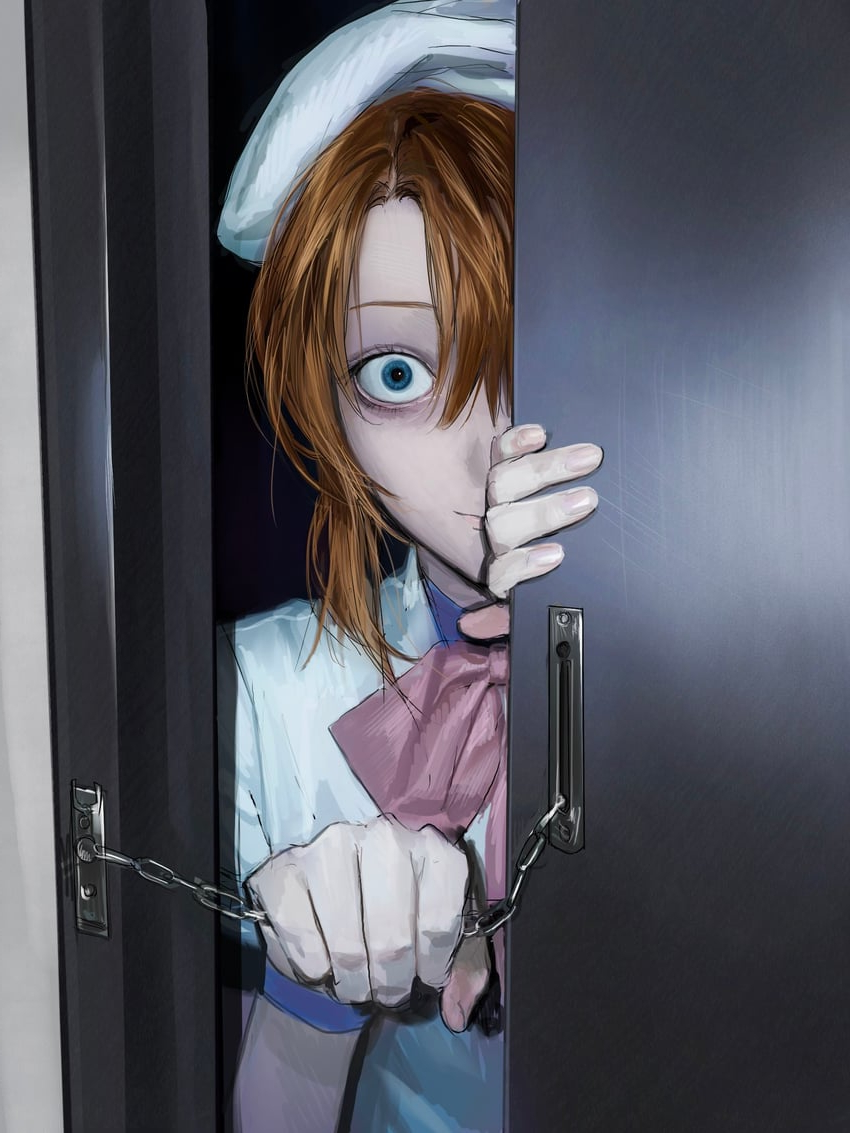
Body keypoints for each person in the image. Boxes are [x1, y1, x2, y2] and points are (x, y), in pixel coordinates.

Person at [216, 4, 602, 1130]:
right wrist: (312, 995)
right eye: (397, 374)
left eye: (528, 339)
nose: (489, 446)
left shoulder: (767, 666)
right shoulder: (264, 703)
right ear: (326, 410)